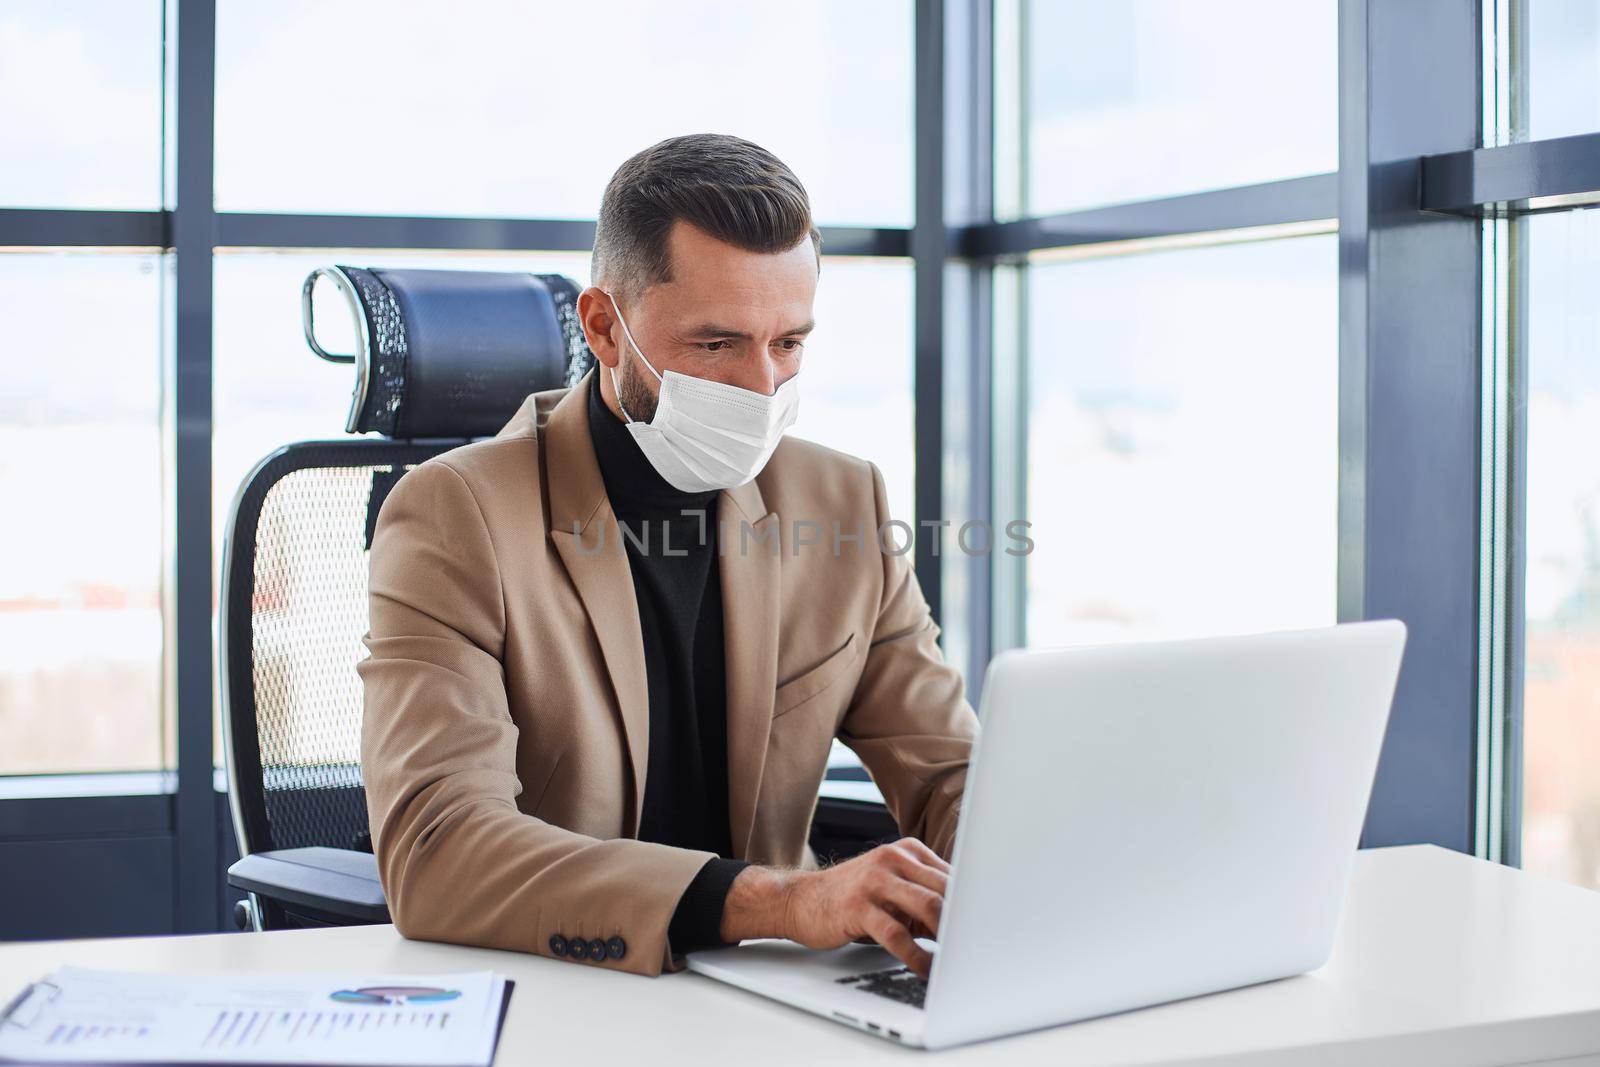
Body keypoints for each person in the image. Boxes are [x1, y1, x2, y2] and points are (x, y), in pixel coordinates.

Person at [358, 133, 978, 979]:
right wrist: (785, 901)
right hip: (564, 992)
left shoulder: (843, 502)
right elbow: (439, 847)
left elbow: (951, 773)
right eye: (718, 345)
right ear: (606, 328)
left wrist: (1027, 871)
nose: (764, 389)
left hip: (771, 1000)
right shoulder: (454, 515)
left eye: (789, 343)